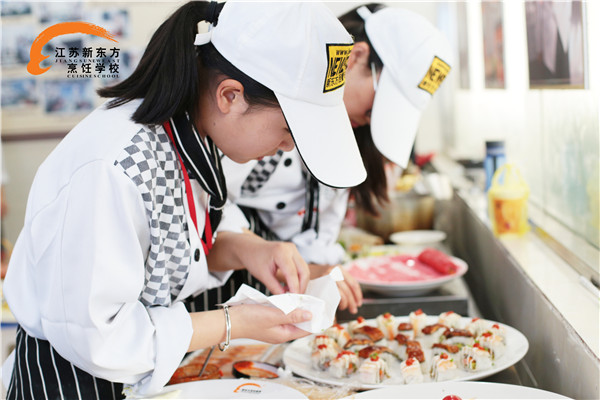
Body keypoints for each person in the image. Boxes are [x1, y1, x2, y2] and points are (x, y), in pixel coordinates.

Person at [2, 1, 366, 398]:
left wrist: (252, 249)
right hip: (72, 383)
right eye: (287, 130)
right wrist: (234, 322)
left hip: (134, 376)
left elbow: (180, 245)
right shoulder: (114, 165)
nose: (286, 147)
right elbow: (100, 336)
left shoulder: (191, 137)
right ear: (230, 96)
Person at [206, 3, 454, 314]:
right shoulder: (264, 118)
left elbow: (321, 230)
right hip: (223, 289)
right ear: (356, 57)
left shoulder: (352, 134)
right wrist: (281, 259)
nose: (373, 119)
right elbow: (208, 207)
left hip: (280, 294)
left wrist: (322, 271)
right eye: (380, 103)